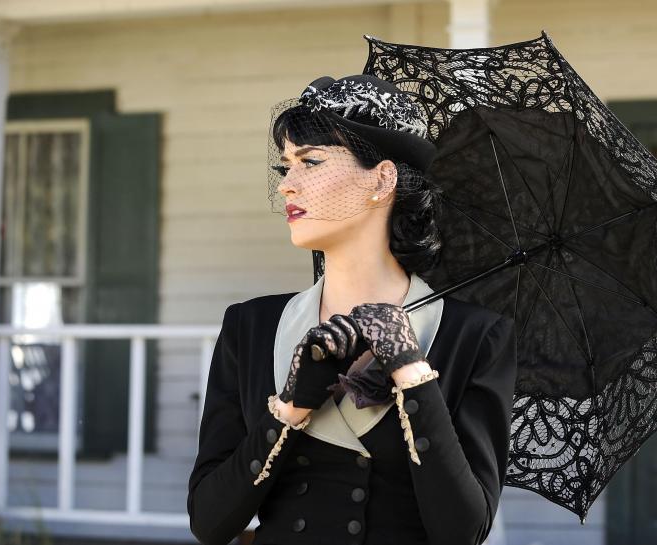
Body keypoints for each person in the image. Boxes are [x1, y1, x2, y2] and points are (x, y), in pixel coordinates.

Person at [187, 74, 517, 545]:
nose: (287, 186)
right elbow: (209, 523)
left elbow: (463, 532)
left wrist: (411, 372)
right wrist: (290, 409)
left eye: (311, 162)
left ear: (382, 179)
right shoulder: (251, 326)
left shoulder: (475, 336)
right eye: (285, 166)